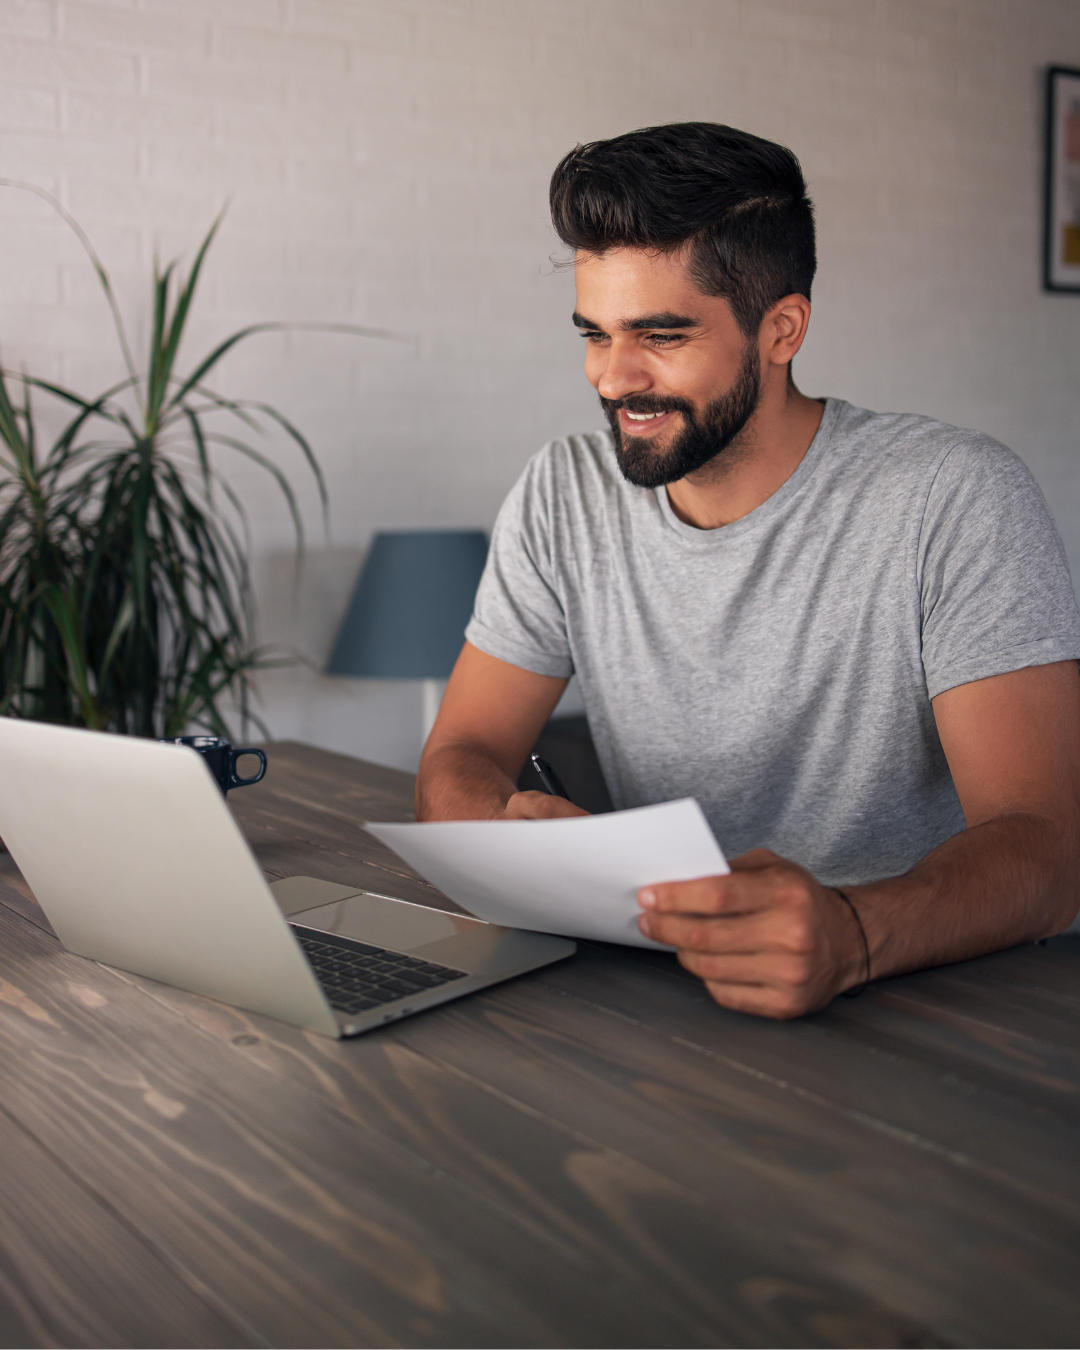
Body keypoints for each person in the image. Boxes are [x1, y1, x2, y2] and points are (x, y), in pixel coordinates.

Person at [416, 121, 1080, 1018]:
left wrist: (852, 931)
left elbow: (1046, 850)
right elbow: (461, 754)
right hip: (674, 993)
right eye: (595, 334)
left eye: (660, 335)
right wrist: (507, 836)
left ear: (782, 329)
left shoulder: (953, 496)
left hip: (924, 998)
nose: (613, 378)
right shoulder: (562, 492)